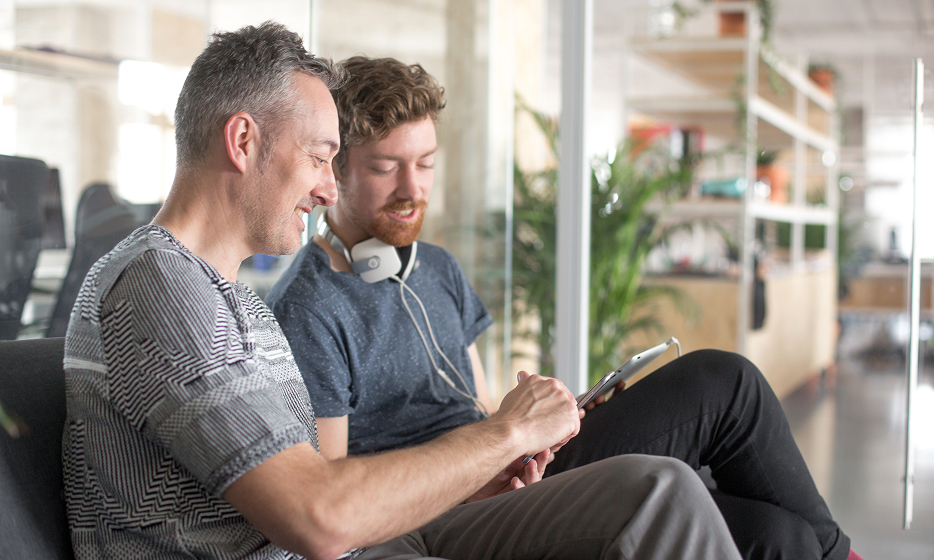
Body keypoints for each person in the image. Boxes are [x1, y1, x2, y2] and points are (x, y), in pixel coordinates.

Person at [61, 22, 744, 560]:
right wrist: (504, 432)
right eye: (321, 158)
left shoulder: (227, 299)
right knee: (660, 493)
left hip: (361, 544)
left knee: (664, 492)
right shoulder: (159, 287)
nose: (327, 189)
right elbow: (320, 514)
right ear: (243, 141)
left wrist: (477, 473)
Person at [265, 56, 862, 560]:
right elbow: (341, 502)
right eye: (384, 167)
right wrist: (489, 457)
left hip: (505, 465)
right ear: (335, 169)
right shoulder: (310, 308)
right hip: (442, 510)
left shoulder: (436, 267)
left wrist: (539, 420)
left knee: (777, 535)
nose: (412, 189)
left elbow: (474, 403)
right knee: (725, 383)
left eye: (424, 165)